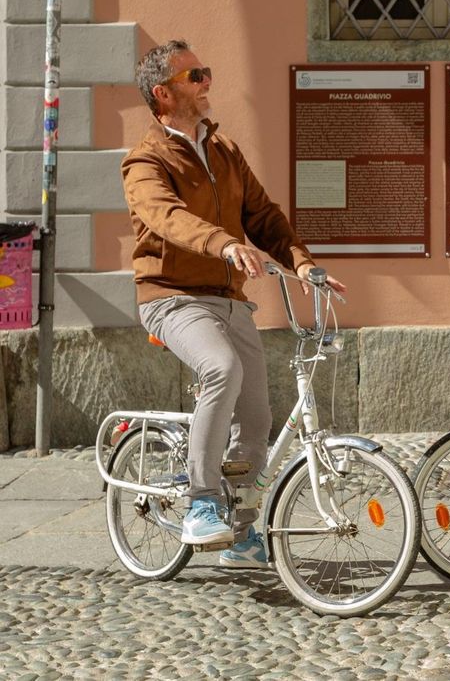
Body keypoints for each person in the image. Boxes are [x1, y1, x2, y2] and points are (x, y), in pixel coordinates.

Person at [122, 40, 345, 568]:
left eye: (206, 70)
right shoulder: (144, 161)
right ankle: (201, 502)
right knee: (221, 369)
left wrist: (304, 264)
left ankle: (241, 532)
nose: (206, 82)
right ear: (163, 92)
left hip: (229, 298)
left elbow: (264, 216)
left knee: (256, 414)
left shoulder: (224, 151)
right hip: (172, 297)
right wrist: (223, 243)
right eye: (194, 74)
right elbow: (167, 218)